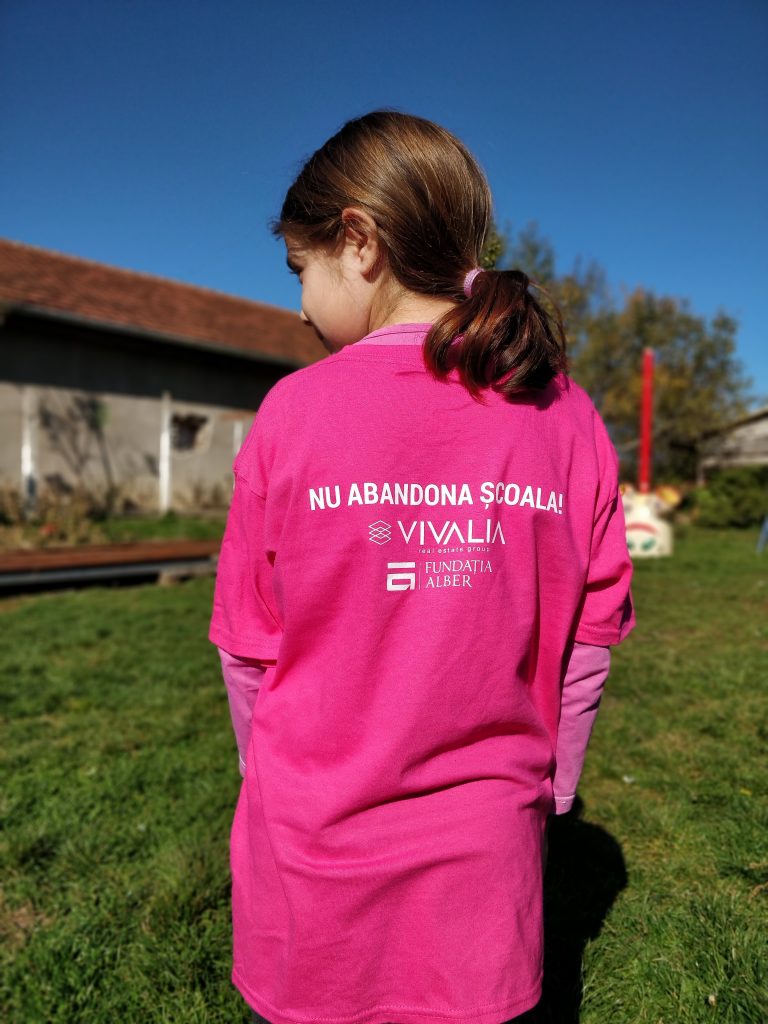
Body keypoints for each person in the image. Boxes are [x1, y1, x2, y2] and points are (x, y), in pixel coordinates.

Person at [209, 110, 635, 1024]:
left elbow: (247, 647)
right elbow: (589, 641)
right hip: (487, 866)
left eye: (299, 270)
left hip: (312, 856)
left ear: (359, 241)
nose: (299, 307)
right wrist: (552, 792)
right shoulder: (566, 415)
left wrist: (264, 781)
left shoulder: (291, 412)